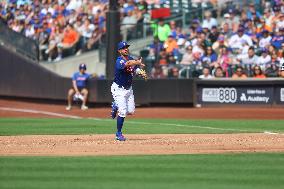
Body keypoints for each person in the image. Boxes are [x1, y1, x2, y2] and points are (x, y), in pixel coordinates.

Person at [110, 41, 147, 141]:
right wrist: (137, 62)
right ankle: (118, 133)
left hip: (129, 89)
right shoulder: (119, 61)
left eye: (126, 47)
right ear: (119, 51)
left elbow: (134, 69)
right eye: (123, 48)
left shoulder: (131, 59)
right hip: (118, 89)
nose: (126, 49)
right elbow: (128, 64)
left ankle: (116, 105)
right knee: (122, 112)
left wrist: (140, 72)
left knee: (130, 111)